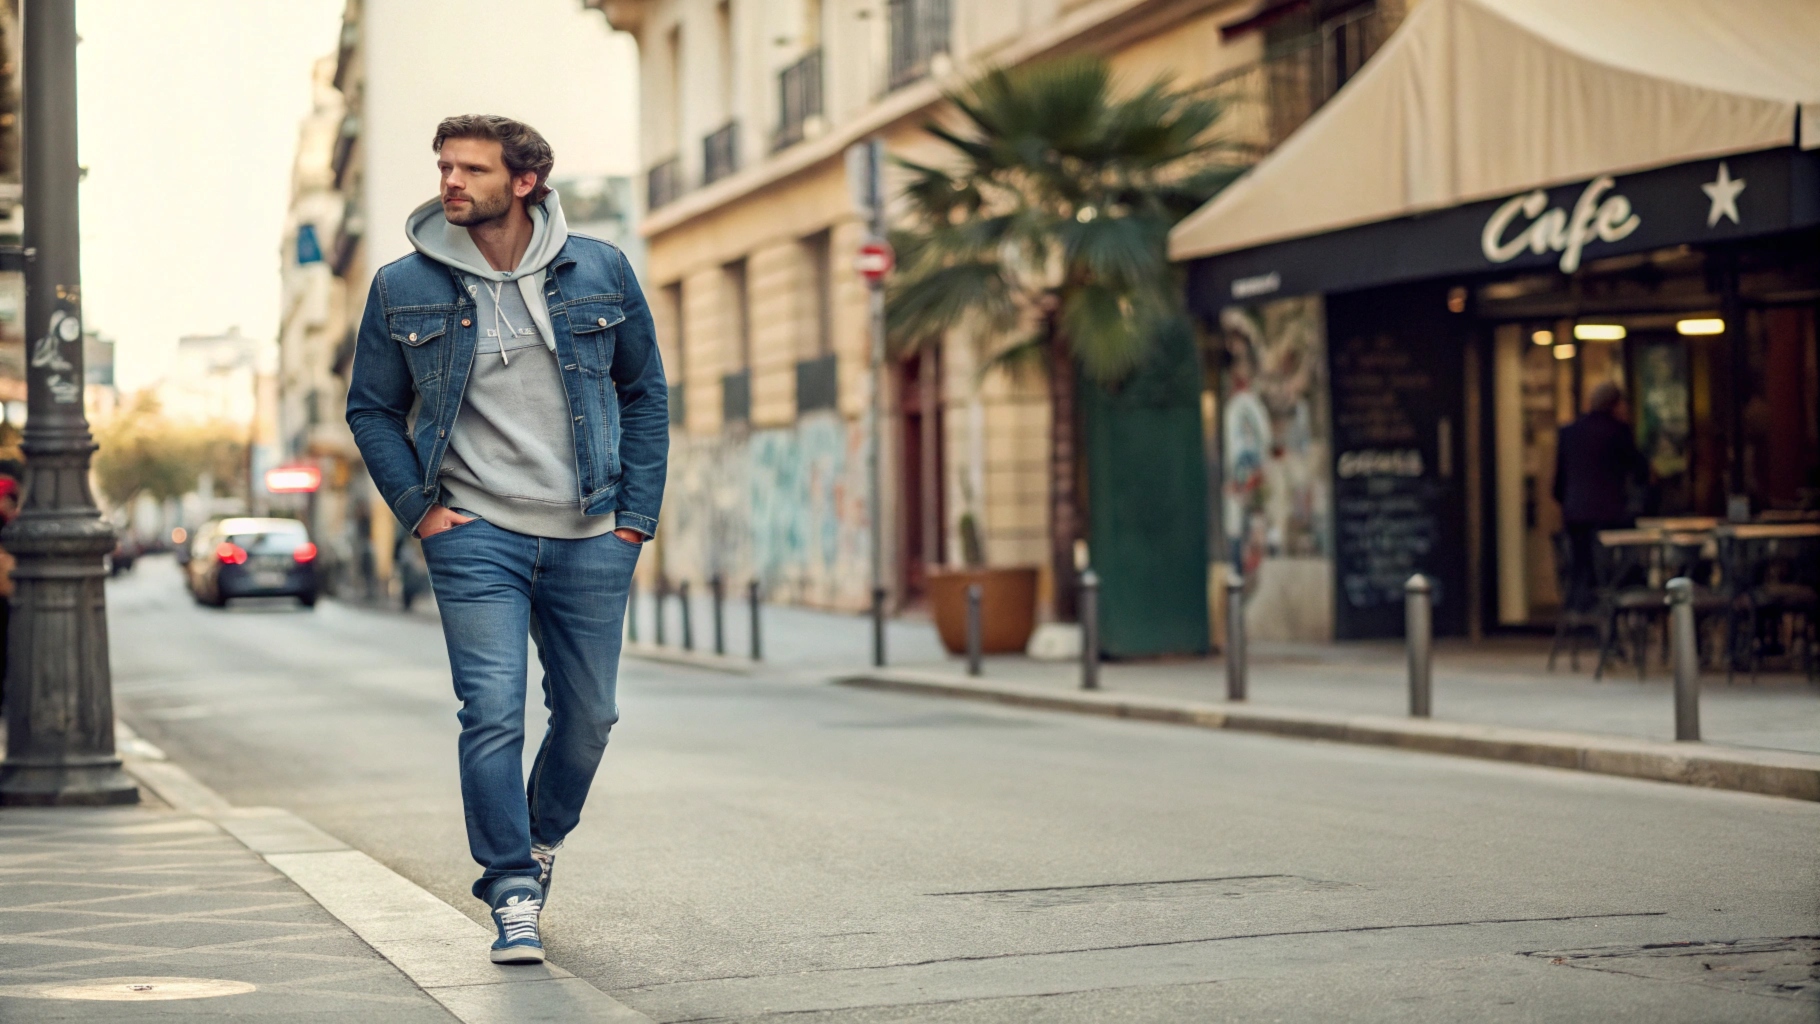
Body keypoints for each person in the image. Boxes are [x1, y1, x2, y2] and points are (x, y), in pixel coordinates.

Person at [346, 115, 667, 965]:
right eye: (444, 166)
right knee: (490, 713)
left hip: (593, 528)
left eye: (471, 169)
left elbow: (645, 393)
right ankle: (512, 890)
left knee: (590, 717)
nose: (450, 181)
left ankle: (541, 836)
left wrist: (637, 513)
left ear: (523, 182)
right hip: (474, 530)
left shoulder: (600, 268)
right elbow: (372, 409)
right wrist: (420, 509)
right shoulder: (401, 285)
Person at [1554, 381, 1646, 610]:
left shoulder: (1569, 433)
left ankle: (1583, 617)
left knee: (1581, 570)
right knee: (1617, 570)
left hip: (1575, 516)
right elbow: (1640, 471)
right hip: (1610, 517)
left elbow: (1558, 483)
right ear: (1615, 405)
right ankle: (1612, 616)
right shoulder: (1618, 431)